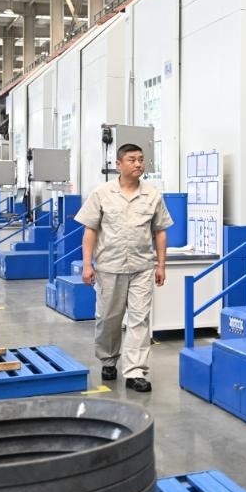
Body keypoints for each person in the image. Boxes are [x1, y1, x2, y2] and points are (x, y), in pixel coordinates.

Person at [75, 143, 173, 393]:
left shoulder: (153, 195)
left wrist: (161, 265)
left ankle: (135, 371)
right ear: (118, 164)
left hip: (142, 267)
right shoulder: (101, 193)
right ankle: (108, 360)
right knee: (109, 318)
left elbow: (160, 231)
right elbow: (90, 230)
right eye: (132, 159)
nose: (138, 164)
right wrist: (87, 265)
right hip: (109, 267)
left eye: (141, 159)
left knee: (140, 320)